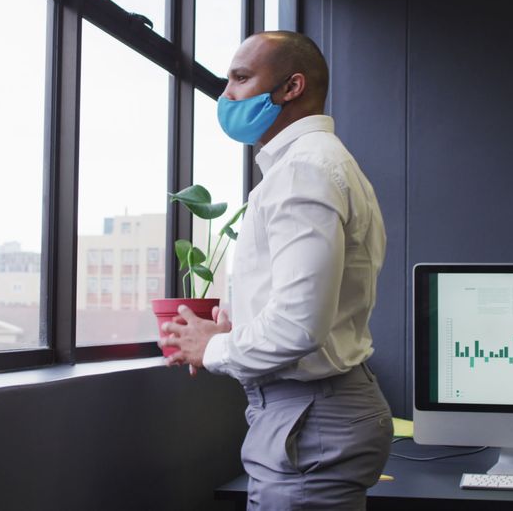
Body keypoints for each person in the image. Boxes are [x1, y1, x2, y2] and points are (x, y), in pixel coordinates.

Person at [159, 30, 391, 510]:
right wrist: (236, 325)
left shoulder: (304, 169)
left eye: (241, 78)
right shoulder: (321, 164)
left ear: (291, 87)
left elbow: (298, 326)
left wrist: (214, 345)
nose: (226, 95)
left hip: (310, 416)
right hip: (313, 413)